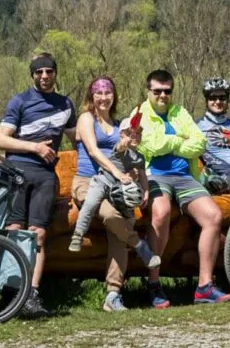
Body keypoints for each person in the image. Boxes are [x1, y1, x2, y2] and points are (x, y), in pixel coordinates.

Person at [134, 69, 230, 307]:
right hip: (155, 176)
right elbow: (151, 144)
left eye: (167, 91)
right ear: (149, 91)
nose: (162, 96)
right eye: (157, 91)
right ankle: (154, 284)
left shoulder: (180, 112)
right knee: (161, 213)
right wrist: (180, 140)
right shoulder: (140, 114)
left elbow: (199, 143)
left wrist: (171, 144)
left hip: (186, 177)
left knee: (213, 216)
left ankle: (204, 287)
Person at [0, 52, 77, 317]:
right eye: (39, 72)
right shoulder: (20, 101)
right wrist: (35, 147)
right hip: (17, 170)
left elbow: (78, 142)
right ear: (32, 75)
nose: (44, 76)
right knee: (14, 230)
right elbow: (1, 140)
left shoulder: (65, 105)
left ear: (55, 73)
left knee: (38, 234)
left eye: (49, 72)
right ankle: (8, 292)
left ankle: (31, 296)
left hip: (45, 177)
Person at [70, 77, 159, 312]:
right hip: (87, 183)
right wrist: (118, 175)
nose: (103, 97)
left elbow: (131, 156)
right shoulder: (86, 119)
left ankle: (113, 294)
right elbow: (93, 151)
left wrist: (144, 183)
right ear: (91, 96)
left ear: (113, 96)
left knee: (123, 222)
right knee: (111, 215)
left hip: (114, 184)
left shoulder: (120, 125)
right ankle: (139, 245)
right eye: (98, 93)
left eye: (107, 93)